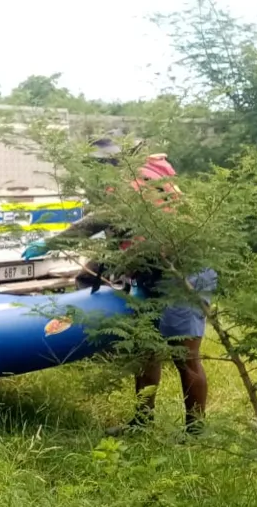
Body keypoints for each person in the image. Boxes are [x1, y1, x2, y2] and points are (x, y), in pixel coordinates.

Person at [31, 138, 215, 435]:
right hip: (152, 273)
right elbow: (115, 238)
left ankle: (195, 432)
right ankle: (142, 422)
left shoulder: (134, 189)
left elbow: (96, 226)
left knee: (184, 356)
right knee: (145, 349)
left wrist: (51, 243)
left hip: (184, 274)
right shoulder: (131, 185)